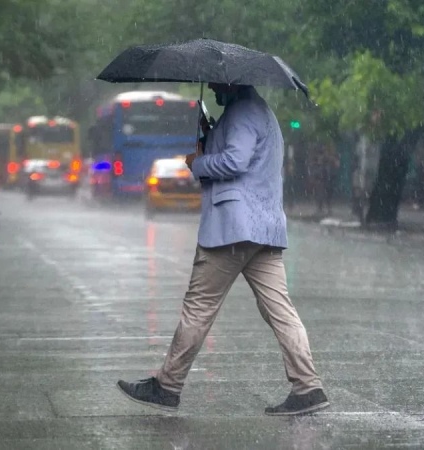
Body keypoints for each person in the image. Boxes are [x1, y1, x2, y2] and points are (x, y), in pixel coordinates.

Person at [117, 83, 329, 415]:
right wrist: (210, 133)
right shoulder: (259, 112)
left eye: (217, 82)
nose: (213, 87)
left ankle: (167, 385)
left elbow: (235, 161)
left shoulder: (243, 112)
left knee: (199, 307)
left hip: (233, 228)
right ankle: (308, 385)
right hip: (263, 229)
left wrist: (197, 163)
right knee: (280, 310)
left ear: (233, 82)